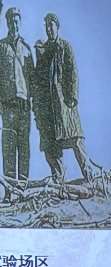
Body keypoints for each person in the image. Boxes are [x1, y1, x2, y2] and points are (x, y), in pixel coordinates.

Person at [33, 12, 89, 182]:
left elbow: (72, 72)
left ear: (57, 27)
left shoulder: (65, 46)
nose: (49, 29)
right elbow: (38, 80)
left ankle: (90, 176)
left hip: (64, 104)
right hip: (48, 108)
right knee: (50, 145)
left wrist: (72, 97)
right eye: (46, 26)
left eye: (51, 26)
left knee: (75, 139)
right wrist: (37, 106)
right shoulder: (43, 50)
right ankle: (58, 181)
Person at [0, 7, 32, 181]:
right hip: (8, 105)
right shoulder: (1, 47)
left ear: (20, 23)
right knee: (8, 147)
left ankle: (23, 186)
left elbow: (32, 79)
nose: (14, 24)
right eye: (11, 21)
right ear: (7, 23)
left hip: (24, 105)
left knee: (24, 146)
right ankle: (10, 188)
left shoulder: (26, 49)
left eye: (16, 21)